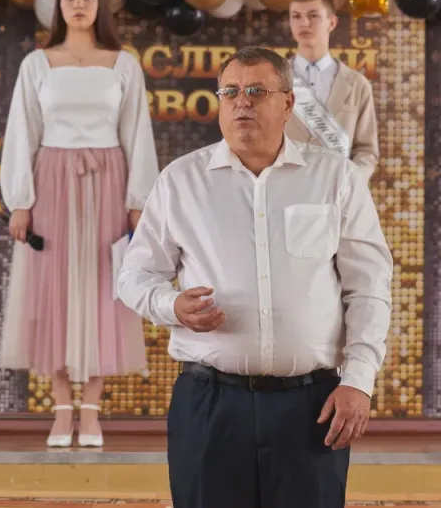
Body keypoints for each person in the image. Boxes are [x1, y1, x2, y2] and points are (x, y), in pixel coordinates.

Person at [117, 47, 393, 508]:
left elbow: (369, 288)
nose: (241, 101)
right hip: (209, 404)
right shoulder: (180, 181)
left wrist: (359, 380)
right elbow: (134, 276)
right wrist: (172, 306)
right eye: (230, 92)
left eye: (256, 91)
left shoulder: (336, 178)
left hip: (313, 405)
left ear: (288, 103)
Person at [0, 0, 158, 448]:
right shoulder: (38, 64)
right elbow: (22, 131)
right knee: (54, 289)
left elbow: (137, 133)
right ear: (59, 6)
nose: (79, 5)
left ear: (100, 5)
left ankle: (91, 411)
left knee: (103, 288)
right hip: (52, 181)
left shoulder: (123, 64)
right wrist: (21, 202)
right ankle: (61, 408)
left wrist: (138, 202)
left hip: (108, 180)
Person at [285, 0, 379, 181]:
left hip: (338, 191)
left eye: (313, 16)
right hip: (285, 188)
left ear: (332, 22)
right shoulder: (273, 80)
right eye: (296, 16)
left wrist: (350, 184)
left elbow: (366, 150)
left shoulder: (357, 85)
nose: (304, 23)